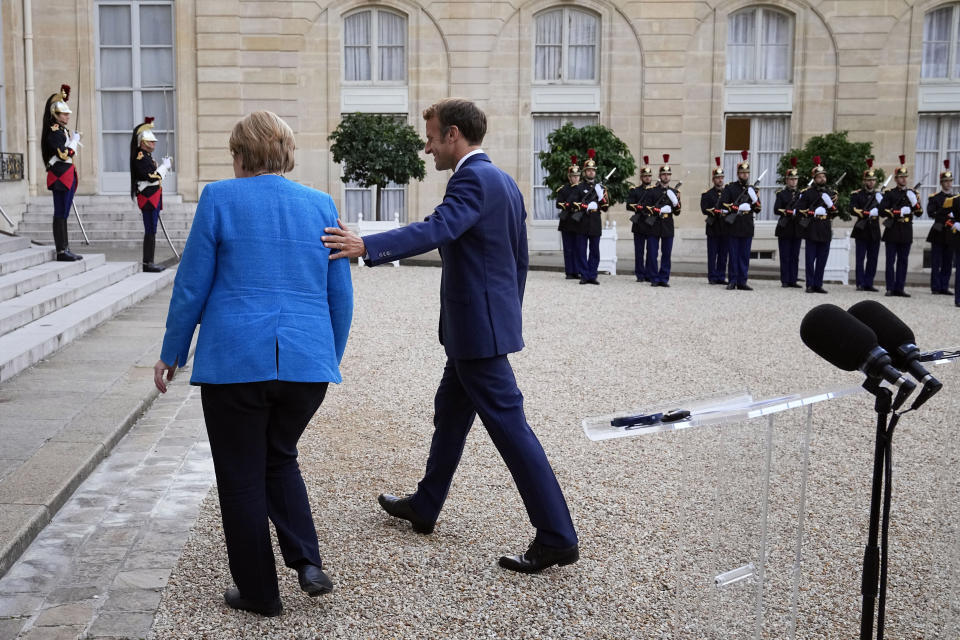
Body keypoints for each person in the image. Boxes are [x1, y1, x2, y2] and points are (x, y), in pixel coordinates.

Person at [322, 98, 579, 574]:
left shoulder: (471, 180)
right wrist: (503, 317)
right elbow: (517, 261)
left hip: (476, 334)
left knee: (512, 430)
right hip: (478, 329)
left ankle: (557, 536)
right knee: (451, 415)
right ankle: (426, 504)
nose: (427, 148)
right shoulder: (504, 181)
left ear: (454, 135)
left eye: (432, 137)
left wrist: (367, 246)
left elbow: (438, 228)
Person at [153, 111, 353, 616]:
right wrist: (326, 358)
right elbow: (340, 298)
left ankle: (261, 593)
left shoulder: (220, 198)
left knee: (240, 476)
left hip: (236, 362)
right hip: (306, 364)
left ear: (240, 155)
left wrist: (172, 351)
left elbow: (192, 285)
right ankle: (307, 561)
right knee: (279, 455)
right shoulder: (321, 205)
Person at [40, 84, 82, 262]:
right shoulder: (53, 131)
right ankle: (61, 250)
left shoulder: (63, 130)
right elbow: (63, 154)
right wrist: (73, 142)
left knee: (65, 212)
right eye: (64, 114)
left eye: (67, 113)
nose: (67, 116)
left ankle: (65, 247)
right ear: (55, 115)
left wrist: (72, 139)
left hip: (67, 175)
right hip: (60, 176)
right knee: (60, 212)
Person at [130, 117, 171, 272]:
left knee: (152, 230)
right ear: (143, 142)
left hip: (152, 197)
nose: (153, 143)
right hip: (148, 198)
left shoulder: (147, 157)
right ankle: (148, 263)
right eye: (150, 141)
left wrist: (162, 168)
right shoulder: (140, 157)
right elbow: (152, 176)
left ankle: (150, 261)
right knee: (150, 230)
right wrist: (164, 168)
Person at [880, 155, 921, 297]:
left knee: (903, 261)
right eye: (901, 177)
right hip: (893, 229)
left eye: (905, 177)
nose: (904, 179)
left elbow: (920, 212)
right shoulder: (890, 194)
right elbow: (882, 210)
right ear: (896, 179)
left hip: (906, 230)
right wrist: (897, 212)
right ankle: (890, 287)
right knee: (890, 261)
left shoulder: (912, 193)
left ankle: (900, 287)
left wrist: (914, 202)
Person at [796, 156, 838, 294]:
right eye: (819, 177)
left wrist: (830, 206)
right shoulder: (807, 193)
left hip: (825, 227)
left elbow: (835, 212)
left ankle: (818, 284)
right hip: (812, 227)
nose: (822, 179)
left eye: (823, 176)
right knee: (810, 259)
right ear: (814, 178)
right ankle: (810, 284)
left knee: (822, 259)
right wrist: (813, 212)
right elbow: (799, 210)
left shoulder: (830, 193)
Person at [567, 148, 608, 285]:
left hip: (595, 222)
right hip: (582, 222)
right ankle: (584, 275)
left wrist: (601, 196)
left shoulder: (600, 188)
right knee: (581, 250)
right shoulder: (579, 187)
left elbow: (606, 206)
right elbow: (572, 203)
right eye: (589, 170)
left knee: (595, 251)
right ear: (584, 172)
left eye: (593, 170)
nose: (591, 172)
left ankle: (592, 275)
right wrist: (585, 206)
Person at [721, 150, 760, 290]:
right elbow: (723, 204)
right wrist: (737, 207)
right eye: (742, 173)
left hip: (747, 225)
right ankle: (732, 280)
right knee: (733, 255)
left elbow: (758, 208)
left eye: (747, 173)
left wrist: (754, 198)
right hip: (734, 225)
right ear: (738, 174)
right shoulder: (730, 188)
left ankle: (742, 281)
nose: (745, 175)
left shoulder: (752, 189)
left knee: (744, 256)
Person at [644, 154, 680, 287]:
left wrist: (676, 203)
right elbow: (646, 208)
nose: (666, 176)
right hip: (654, 225)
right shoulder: (652, 191)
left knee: (666, 254)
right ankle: (654, 278)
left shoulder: (674, 192)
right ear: (660, 176)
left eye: (668, 174)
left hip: (667, 226)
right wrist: (659, 210)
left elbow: (677, 212)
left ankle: (664, 278)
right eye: (664, 174)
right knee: (652, 253)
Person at [849, 159, 883, 292]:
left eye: (873, 180)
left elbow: (885, 210)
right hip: (862, 228)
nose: (871, 182)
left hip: (874, 229)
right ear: (864, 181)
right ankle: (860, 282)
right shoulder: (857, 194)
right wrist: (865, 212)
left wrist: (882, 205)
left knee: (873, 258)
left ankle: (869, 282)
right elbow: (852, 208)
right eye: (869, 180)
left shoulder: (879, 195)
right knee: (860, 258)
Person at [926, 160, 955, 296]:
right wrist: (945, 213)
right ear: (941, 183)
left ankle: (944, 285)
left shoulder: (956, 198)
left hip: (950, 232)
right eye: (946, 181)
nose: (948, 183)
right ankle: (935, 286)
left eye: (950, 181)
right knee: (936, 261)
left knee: (948, 262)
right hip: (938, 231)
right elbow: (931, 212)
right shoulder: (935, 198)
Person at [773, 157, 803, 288]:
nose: (793, 181)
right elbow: (776, 209)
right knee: (785, 255)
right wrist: (788, 212)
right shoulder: (782, 194)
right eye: (791, 179)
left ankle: (793, 279)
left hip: (797, 227)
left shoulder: (801, 194)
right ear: (787, 180)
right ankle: (785, 280)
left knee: (795, 256)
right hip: (785, 227)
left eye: (795, 179)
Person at [700, 157, 728, 285]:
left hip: (725, 227)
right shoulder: (707, 194)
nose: (720, 180)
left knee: (723, 255)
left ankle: (721, 276)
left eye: (722, 177)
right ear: (713, 179)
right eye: (718, 177)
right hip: (713, 227)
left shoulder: (728, 193)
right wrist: (717, 211)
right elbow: (704, 209)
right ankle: (712, 276)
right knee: (712, 254)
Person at [626, 157, 654, 282]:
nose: (647, 178)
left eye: (649, 176)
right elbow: (629, 205)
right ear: (641, 177)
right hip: (639, 223)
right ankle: (640, 274)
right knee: (639, 251)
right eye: (645, 176)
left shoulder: (655, 191)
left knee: (651, 251)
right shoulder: (635, 191)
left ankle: (649, 273)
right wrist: (639, 207)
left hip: (651, 224)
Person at [556, 157, 581, 280]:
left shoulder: (583, 189)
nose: (575, 178)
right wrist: (569, 205)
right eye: (573, 176)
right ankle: (569, 271)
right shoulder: (563, 189)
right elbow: (558, 203)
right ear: (569, 177)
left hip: (578, 221)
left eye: (577, 176)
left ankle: (577, 270)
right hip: (567, 221)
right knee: (568, 248)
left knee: (578, 248)